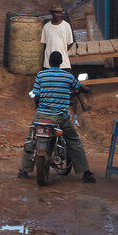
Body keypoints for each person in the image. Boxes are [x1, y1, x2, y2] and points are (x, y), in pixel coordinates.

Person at [18, 51, 95, 183]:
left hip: (41, 115)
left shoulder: (41, 75)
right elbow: (79, 87)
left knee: (30, 139)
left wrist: (39, 104)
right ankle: (86, 173)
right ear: (61, 63)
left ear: (49, 61)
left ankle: (23, 171)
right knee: (74, 141)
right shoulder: (67, 76)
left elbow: (35, 95)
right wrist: (86, 89)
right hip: (60, 117)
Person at [41, 5, 74, 70]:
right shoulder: (46, 27)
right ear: (51, 13)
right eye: (55, 12)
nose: (57, 15)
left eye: (59, 13)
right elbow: (44, 43)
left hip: (63, 64)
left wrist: (62, 50)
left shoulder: (66, 26)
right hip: (48, 64)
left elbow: (70, 43)